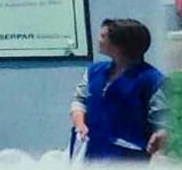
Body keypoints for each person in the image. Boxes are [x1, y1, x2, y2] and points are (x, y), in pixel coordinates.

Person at [69, 17, 169, 161]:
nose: (98, 39)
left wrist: (161, 134)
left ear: (121, 45)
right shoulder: (94, 72)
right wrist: (80, 123)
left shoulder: (152, 80)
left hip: (126, 158)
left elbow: (162, 120)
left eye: (103, 36)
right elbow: (79, 100)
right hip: (89, 153)